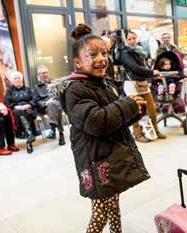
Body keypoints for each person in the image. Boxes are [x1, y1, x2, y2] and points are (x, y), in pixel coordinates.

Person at [60, 23, 150, 233]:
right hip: (95, 159)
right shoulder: (76, 89)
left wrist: (135, 110)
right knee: (100, 214)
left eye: (104, 53)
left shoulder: (104, 82)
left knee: (114, 202)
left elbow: (115, 118)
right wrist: (127, 104)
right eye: (92, 55)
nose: (101, 59)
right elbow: (96, 122)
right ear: (77, 62)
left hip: (109, 154)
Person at [121, 30, 166, 142]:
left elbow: (144, 67)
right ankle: (137, 134)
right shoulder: (125, 53)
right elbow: (134, 68)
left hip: (143, 83)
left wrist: (149, 77)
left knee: (152, 109)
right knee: (135, 109)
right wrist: (151, 73)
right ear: (125, 41)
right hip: (132, 84)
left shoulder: (140, 51)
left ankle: (155, 130)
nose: (132, 41)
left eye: (133, 38)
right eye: (129, 39)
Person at [4, 71, 38, 153]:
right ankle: (30, 136)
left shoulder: (28, 89)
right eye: (15, 78)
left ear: (22, 79)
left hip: (29, 109)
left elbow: (34, 100)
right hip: (17, 111)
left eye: (19, 78)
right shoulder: (9, 91)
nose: (17, 80)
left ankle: (28, 135)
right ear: (12, 80)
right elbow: (7, 103)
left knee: (24, 113)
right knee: (19, 113)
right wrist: (17, 107)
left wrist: (28, 105)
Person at [34, 65, 65, 146]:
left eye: (46, 72)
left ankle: (53, 130)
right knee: (54, 108)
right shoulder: (36, 87)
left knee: (54, 105)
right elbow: (36, 100)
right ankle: (61, 134)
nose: (45, 74)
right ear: (39, 75)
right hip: (44, 107)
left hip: (55, 102)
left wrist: (52, 100)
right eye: (42, 73)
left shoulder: (54, 82)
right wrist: (44, 103)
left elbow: (60, 94)